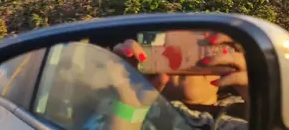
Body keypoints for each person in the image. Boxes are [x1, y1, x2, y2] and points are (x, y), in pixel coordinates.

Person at [104, 33, 249, 130]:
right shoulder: (136, 112)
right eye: (174, 50)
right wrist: (128, 106)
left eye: (202, 49)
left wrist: (259, 93)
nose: (187, 59)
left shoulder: (249, 111)